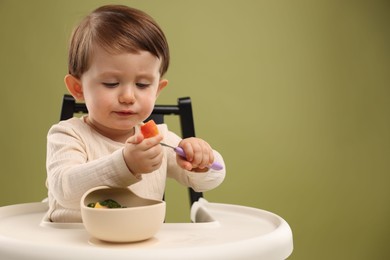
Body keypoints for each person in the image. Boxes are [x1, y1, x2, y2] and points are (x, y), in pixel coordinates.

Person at [45, 5, 225, 222]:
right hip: (73, 248)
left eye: (142, 84)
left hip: (140, 246)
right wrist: (125, 164)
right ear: (78, 88)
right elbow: (65, 190)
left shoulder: (158, 139)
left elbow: (209, 180)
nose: (128, 96)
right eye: (111, 83)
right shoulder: (68, 134)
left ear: (157, 90)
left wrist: (203, 160)